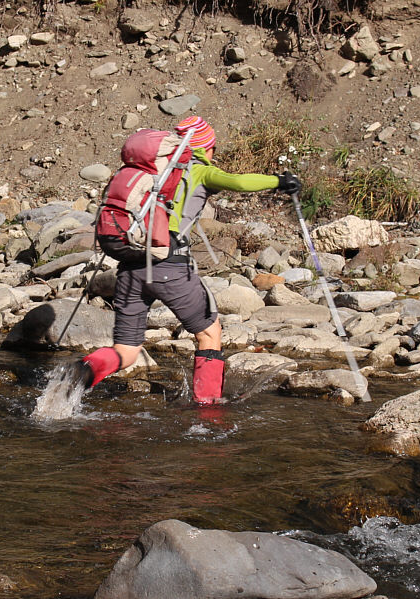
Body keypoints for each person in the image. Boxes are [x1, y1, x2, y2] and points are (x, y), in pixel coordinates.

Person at [74, 116, 302, 405]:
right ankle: (207, 409)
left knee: (126, 351)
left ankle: (82, 371)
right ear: (206, 148)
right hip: (167, 266)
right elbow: (238, 182)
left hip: (130, 267)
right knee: (209, 332)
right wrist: (280, 181)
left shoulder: (150, 175)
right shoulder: (200, 171)